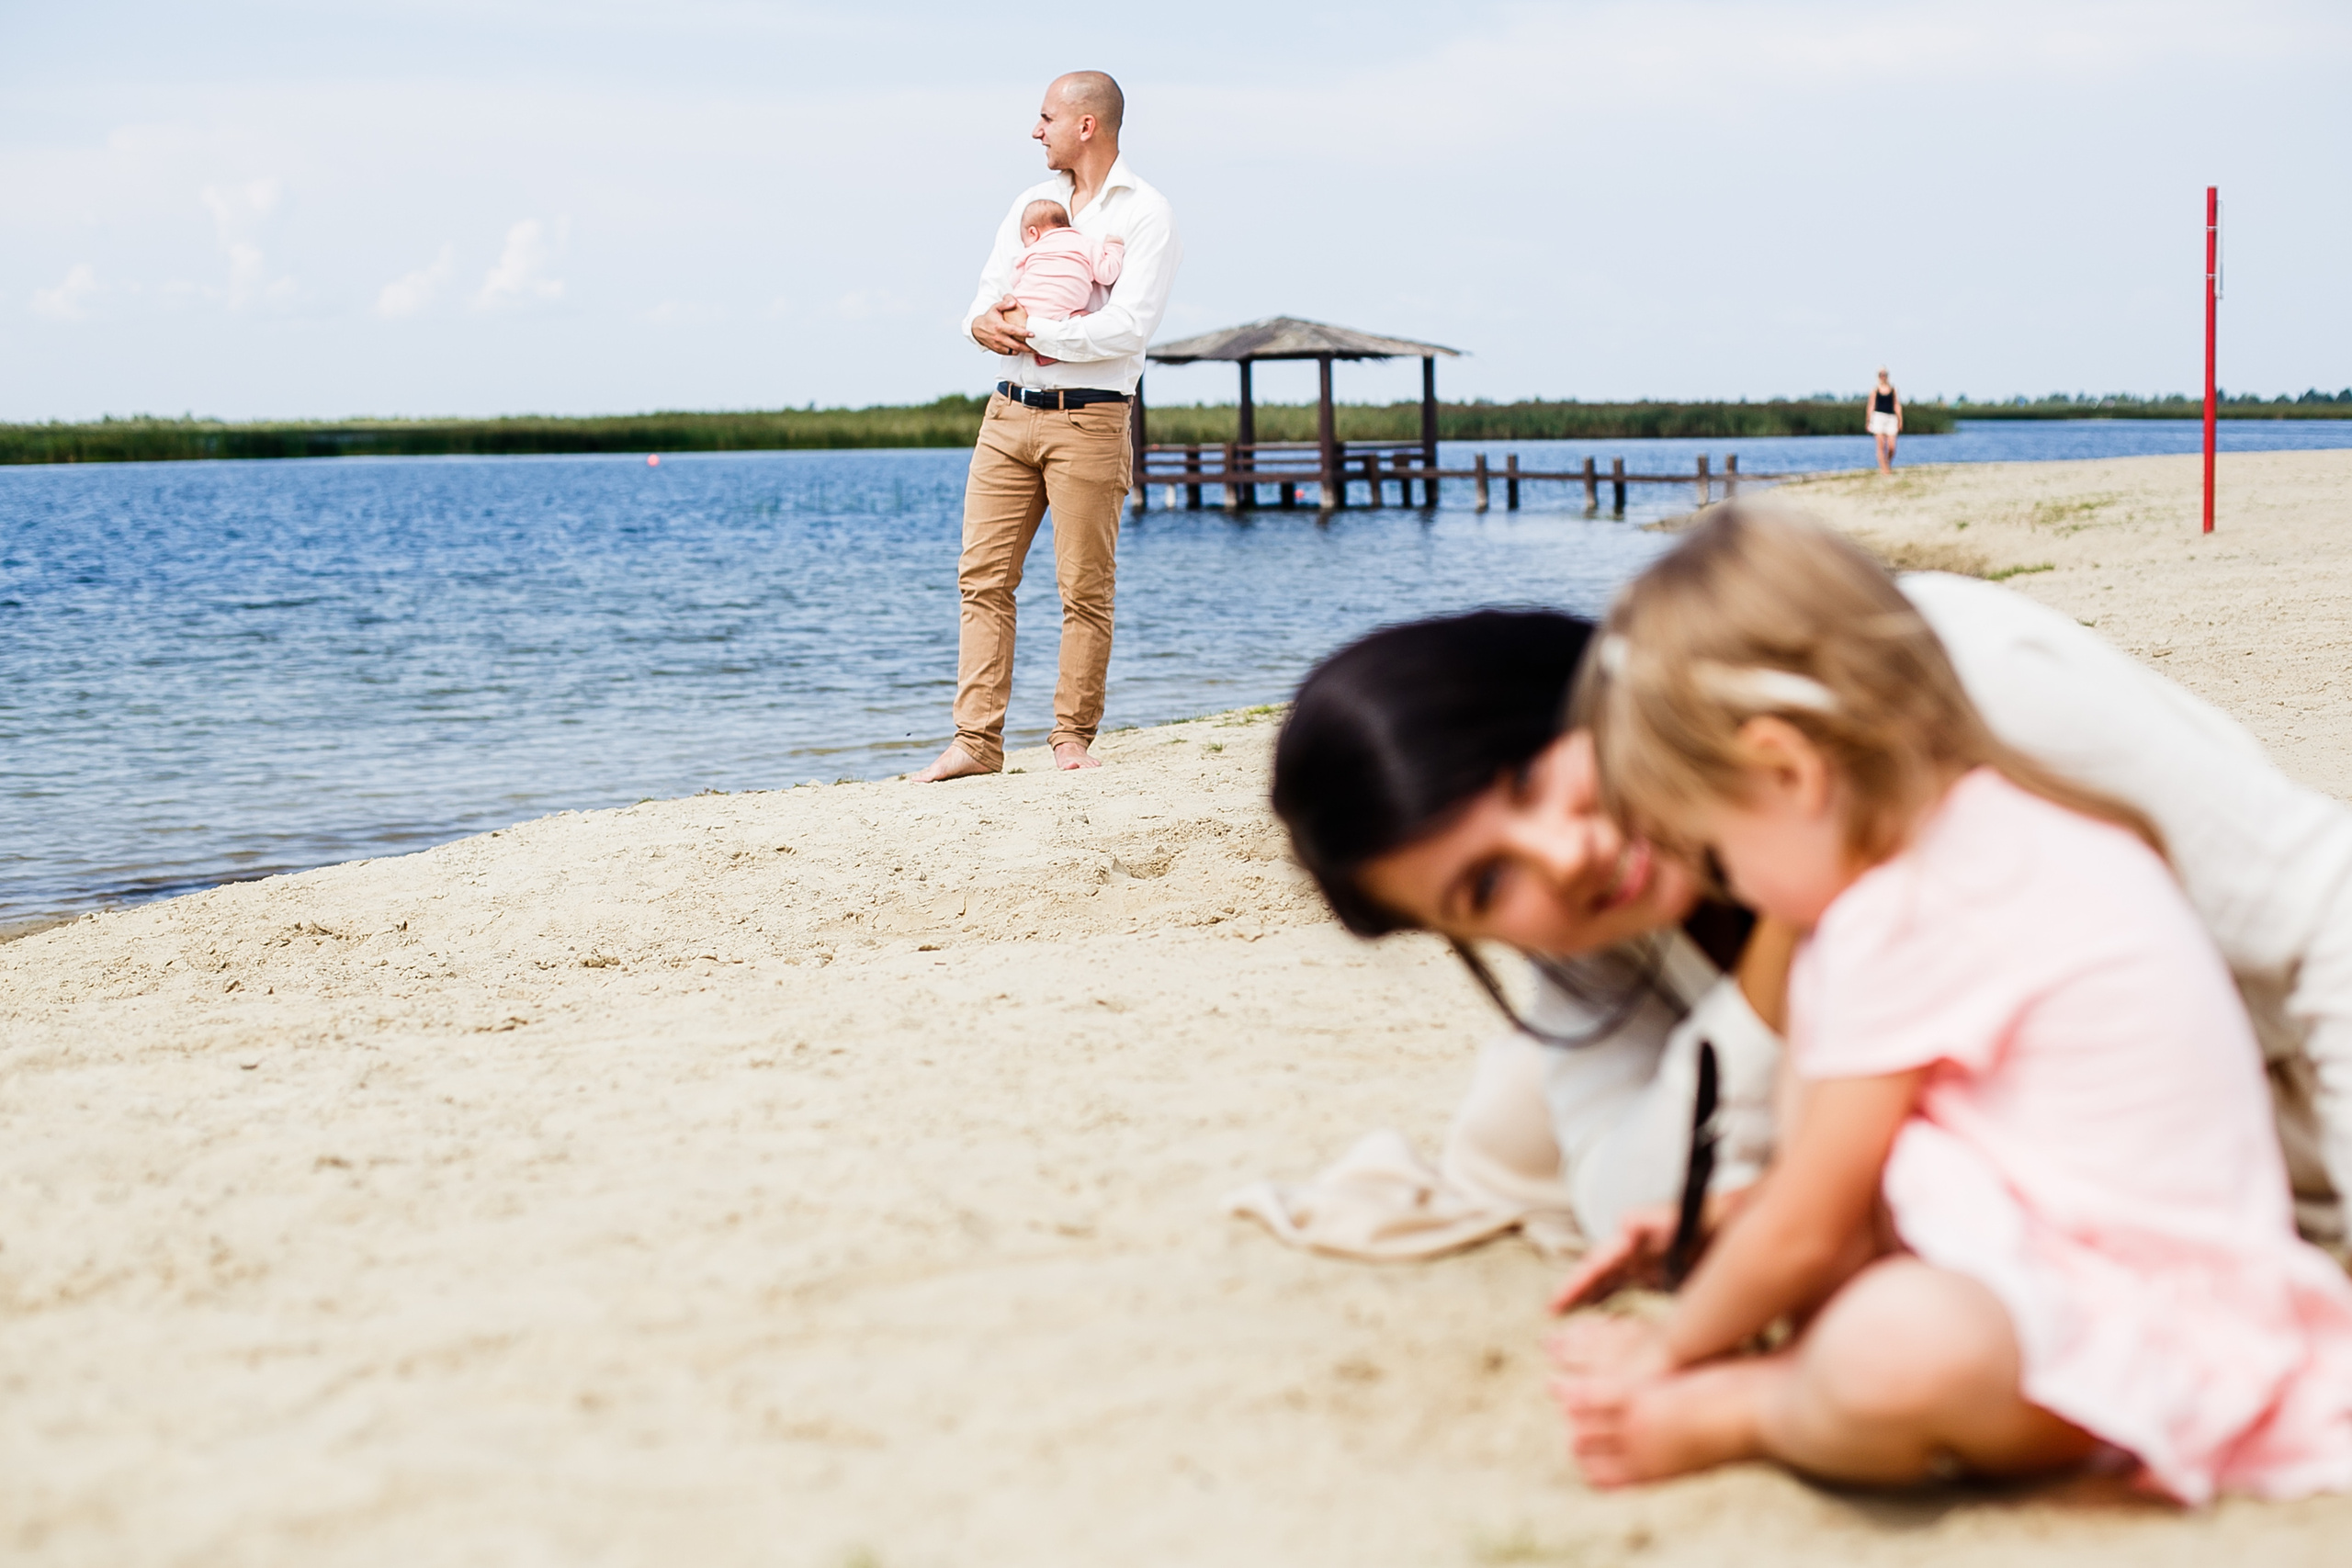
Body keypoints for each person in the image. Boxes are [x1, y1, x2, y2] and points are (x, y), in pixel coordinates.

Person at [1258, 510, 2352, 1270]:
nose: (1564, 854)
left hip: (2265, 1113)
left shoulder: (1935, 674)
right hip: (2065, 1199)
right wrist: (1778, 957)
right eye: (1485, 885)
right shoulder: (1593, 935)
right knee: (1524, 1112)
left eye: (1530, 776)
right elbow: (1629, 1204)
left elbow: (2324, 911)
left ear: (1578, 687)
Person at [1546, 508, 2352, 1499]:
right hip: (2132, 1265)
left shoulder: (1902, 910)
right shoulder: (2004, 821)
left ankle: (1753, 1406)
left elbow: (1809, 1223)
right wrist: (1741, 1213)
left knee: (1890, 1349)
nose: (1735, 890)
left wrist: (1672, 1349)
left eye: (1717, 852)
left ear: (1788, 769)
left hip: (2149, 1324)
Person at [910, 72, 1182, 783]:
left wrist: (1037, 330)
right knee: (981, 579)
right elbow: (987, 297)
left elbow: (1128, 327)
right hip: (1006, 413)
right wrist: (982, 325)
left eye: (1046, 118)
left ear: (1086, 125)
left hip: (1090, 419)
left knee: (1083, 589)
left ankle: (1071, 738)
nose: (1036, 130)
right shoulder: (1028, 205)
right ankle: (976, 742)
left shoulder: (1146, 212)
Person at [1006, 200, 1125, 367]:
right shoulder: (1086, 243)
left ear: (1033, 232)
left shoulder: (1030, 251)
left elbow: (1014, 280)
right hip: (1064, 314)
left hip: (1024, 313)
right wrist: (1114, 247)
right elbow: (1107, 275)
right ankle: (1049, 354)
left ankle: (1038, 348)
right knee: (1088, 321)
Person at [1867, 368, 1902, 475]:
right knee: (1881, 445)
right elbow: (1871, 405)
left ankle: (1887, 464)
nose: (1883, 377)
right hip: (1878, 417)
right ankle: (1884, 469)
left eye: (1884, 375)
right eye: (1881, 375)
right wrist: (1868, 421)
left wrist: (1900, 419)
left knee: (1892, 447)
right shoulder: (1875, 389)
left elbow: (1896, 404)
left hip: (1891, 418)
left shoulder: (1893, 389)